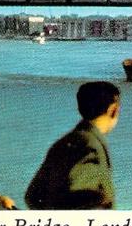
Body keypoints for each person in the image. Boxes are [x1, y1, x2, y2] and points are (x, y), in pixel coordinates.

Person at [24, 81, 120, 210]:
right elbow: (76, 196)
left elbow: (33, 196)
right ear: (113, 110)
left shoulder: (65, 142)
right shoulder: (91, 146)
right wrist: (102, 200)